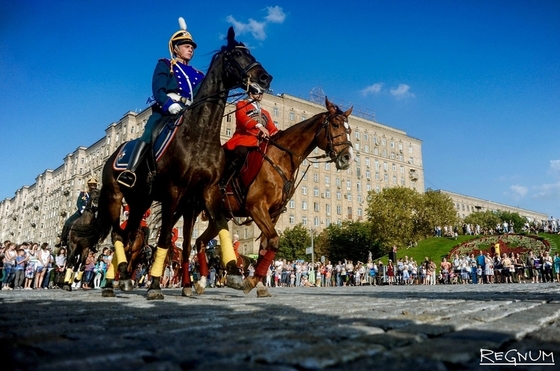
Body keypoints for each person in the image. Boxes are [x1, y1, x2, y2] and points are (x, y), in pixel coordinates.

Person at [117, 17, 204, 188]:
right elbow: (158, 88)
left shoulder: (198, 74)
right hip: (167, 109)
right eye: (187, 46)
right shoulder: (166, 64)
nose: (191, 50)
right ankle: (131, 171)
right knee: (150, 131)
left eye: (192, 47)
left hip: (189, 111)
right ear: (176, 49)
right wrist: (168, 104)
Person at [222, 83, 278, 184]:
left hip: (259, 142)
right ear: (251, 94)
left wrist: (278, 133)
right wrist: (259, 126)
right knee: (241, 152)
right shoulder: (242, 104)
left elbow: (272, 128)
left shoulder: (265, 113)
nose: (260, 95)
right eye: (258, 93)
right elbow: (242, 118)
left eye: (261, 93)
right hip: (244, 138)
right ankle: (224, 181)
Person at [57, 178, 98, 247]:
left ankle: (94, 244)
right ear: (89, 185)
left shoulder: (97, 194)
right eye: (91, 185)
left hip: (92, 213)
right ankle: (62, 240)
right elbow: (79, 202)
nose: (92, 186)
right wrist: (82, 210)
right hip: (81, 212)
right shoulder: (83, 194)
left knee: (98, 227)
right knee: (68, 222)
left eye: (94, 185)